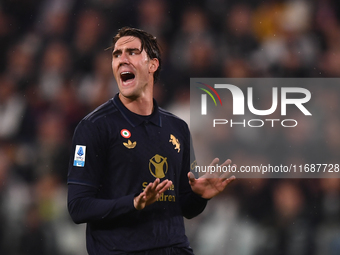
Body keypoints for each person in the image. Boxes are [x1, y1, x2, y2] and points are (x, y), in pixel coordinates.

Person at [67, 27, 235, 255]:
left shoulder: (177, 128)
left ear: (152, 65)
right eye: (117, 54)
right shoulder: (94, 127)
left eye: (132, 52)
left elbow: (185, 207)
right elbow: (78, 207)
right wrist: (133, 203)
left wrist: (198, 196)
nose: (122, 59)